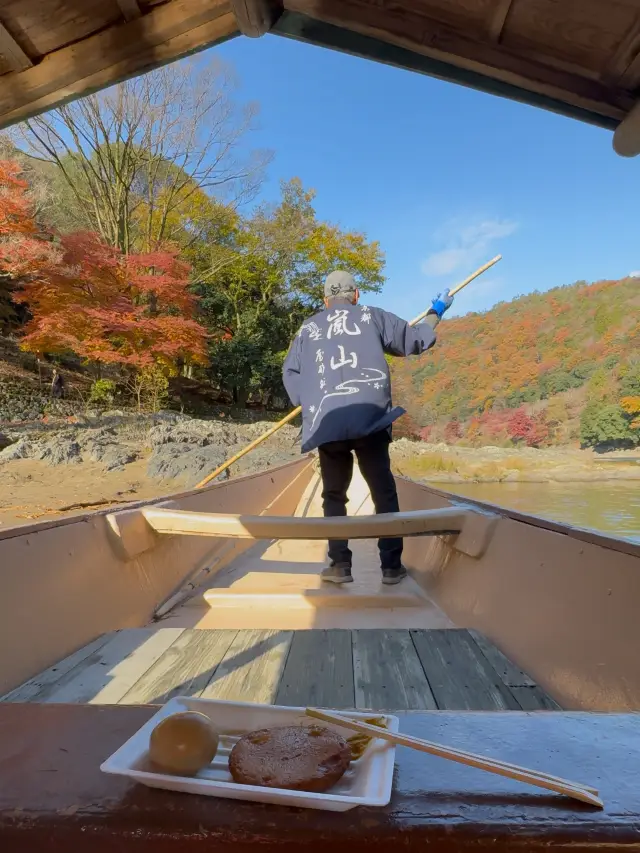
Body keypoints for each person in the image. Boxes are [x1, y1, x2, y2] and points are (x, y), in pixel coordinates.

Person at [282, 270, 453, 585]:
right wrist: (435, 313)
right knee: (383, 491)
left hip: (326, 420)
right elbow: (415, 340)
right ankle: (391, 567)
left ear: (325, 300)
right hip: (370, 419)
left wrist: (307, 401)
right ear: (356, 295)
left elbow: (291, 373)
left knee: (334, 494)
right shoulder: (372, 317)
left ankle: (339, 566)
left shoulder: (308, 327)